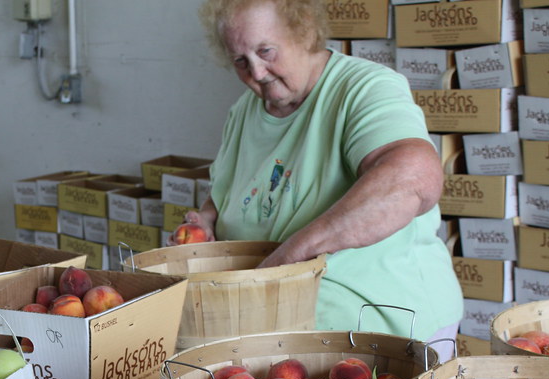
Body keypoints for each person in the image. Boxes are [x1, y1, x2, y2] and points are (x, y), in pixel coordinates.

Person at [179, 0, 462, 356]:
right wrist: (204, 223)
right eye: (240, 61)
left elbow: (413, 178)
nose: (257, 72)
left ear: (304, 30)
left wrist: (288, 260)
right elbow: (223, 196)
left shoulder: (363, 88)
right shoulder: (243, 113)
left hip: (384, 331)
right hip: (278, 332)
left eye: (266, 51)